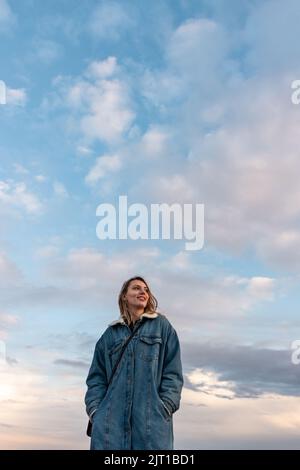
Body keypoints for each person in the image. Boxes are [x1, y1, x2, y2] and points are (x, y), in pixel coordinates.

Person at [84, 276, 184, 450]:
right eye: (136, 288)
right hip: (109, 427)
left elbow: (173, 372)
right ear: (124, 296)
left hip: (151, 424)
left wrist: (165, 407)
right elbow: (96, 379)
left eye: (146, 290)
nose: (142, 292)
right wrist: (96, 412)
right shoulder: (110, 335)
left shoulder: (162, 326)